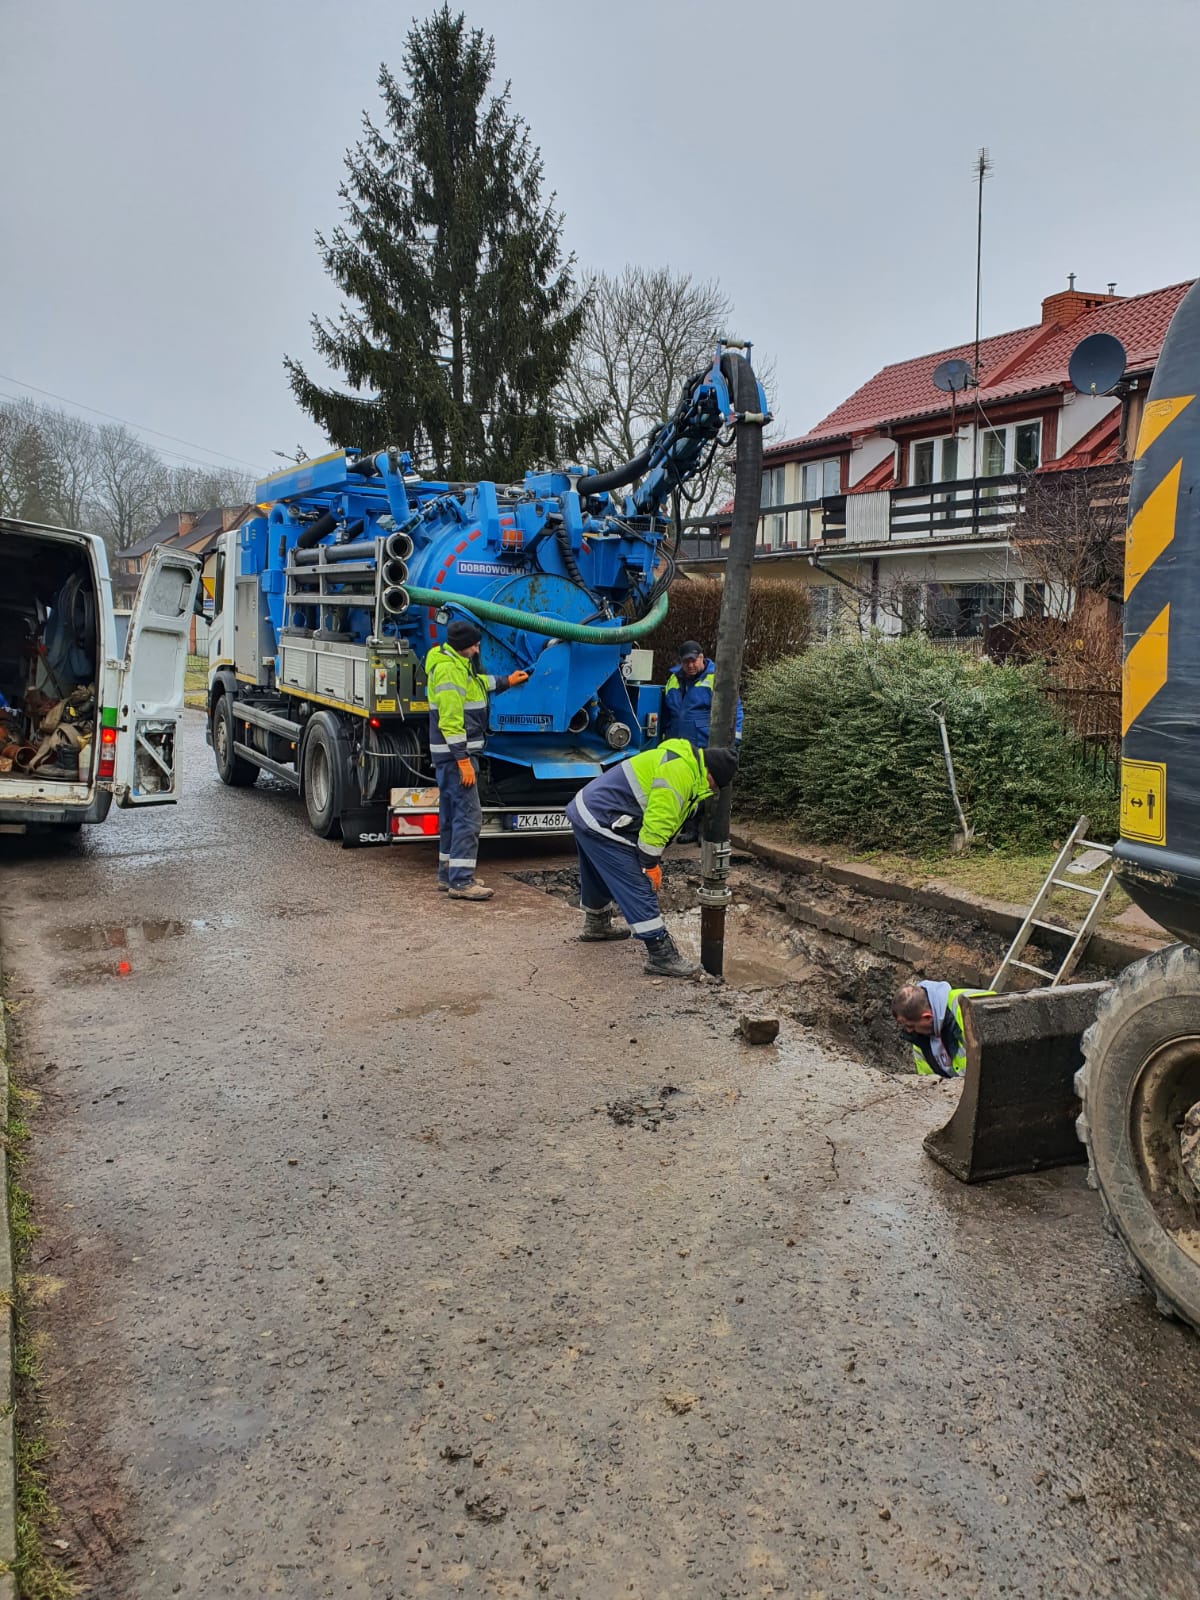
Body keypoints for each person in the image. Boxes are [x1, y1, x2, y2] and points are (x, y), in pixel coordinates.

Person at [566, 739, 738, 977]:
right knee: (635, 883)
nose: (712, 790)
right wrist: (649, 864)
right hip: (602, 817)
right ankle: (661, 954)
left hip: (589, 810)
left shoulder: (684, 766)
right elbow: (659, 821)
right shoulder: (680, 772)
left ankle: (597, 924)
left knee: (598, 872)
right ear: (710, 773)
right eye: (714, 785)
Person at [425, 619, 528, 901]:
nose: (477, 649)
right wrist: (462, 760)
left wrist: (506, 681)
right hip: (456, 757)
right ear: (463, 646)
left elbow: (476, 685)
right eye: (474, 645)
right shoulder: (448, 670)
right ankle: (461, 882)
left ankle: (448, 875)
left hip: (450, 757)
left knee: (451, 816)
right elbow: (450, 719)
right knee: (468, 818)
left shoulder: (455, 663)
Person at [662, 641, 742, 842]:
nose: (690, 665)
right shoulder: (674, 680)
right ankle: (690, 828)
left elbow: (735, 710)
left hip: (704, 743)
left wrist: (734, 740)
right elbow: (667, 713)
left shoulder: (715, 678)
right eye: (685, 662)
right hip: (679, 744)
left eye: (693, 660)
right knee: (685, 787)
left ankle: (706, 830)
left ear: (701, 657)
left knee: (706, 788)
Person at [892, 980, 995, 1077]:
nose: (909, 1031)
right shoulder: (920, 1037)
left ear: (927, 1017)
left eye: (910, 1026)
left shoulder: (969, 1010)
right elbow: (928, 1082)